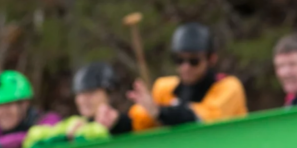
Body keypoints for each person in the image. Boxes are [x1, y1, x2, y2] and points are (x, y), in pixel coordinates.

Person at [106, 23, 247, 134]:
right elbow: (141, 121)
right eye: (179, 60)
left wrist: (160, 112)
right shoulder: (164, 88)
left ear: (211, 59)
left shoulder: (229, 87)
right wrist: (116, 121)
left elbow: (205, 118)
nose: (185, 67)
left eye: (194, 61)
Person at [23, 63, 115, 148]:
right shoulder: (72, 124)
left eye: (91, 92)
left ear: (108, 94)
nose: (84, 99)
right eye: (80, 93)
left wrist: (116, 123)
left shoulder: (122, 122)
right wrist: (66, 138)